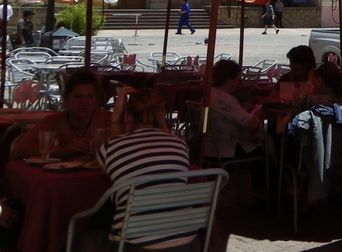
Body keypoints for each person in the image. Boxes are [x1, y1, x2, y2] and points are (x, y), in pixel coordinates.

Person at [96, 87, 192, 249]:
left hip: (134, 243)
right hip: (185, 241)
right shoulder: (180, 145)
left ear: (127, 116)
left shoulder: (110, 148)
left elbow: (113, 168)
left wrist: (114, 120)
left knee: (90, 233)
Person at [10, 69, 113, 160]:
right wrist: (62, 150)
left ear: (96, 100)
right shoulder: (52, 122)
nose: (84, 102)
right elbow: (17, 151)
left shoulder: (109, 121)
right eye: (78, 96)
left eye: (90, 96)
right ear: (66, 99)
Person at [207, 59, 265, 159]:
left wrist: (242, 108)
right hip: (227, 149)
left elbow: (230, 114)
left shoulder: (208, 94)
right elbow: (252, 124)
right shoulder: (226, 99)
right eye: (238, 79)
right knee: (265, 148)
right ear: (229, 79)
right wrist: (259, 111)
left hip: (208, 147)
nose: (239, 83)